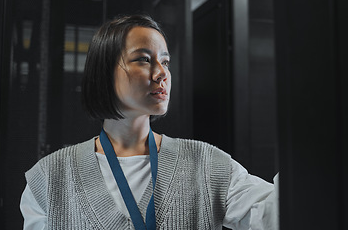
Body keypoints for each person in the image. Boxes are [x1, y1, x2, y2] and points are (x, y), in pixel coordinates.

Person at [20, 14, 279, 230]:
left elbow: (278, 215)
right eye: (144, 59)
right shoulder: (50, 178)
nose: (161, 73)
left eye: (165, 61)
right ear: (105, 71)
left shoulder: (206, 164)